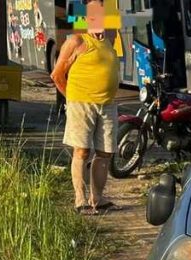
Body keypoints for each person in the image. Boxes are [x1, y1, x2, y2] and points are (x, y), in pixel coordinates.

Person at [51, 0, 120, 214]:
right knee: (81, 151)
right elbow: (57, 75)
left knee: (105, 153)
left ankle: (97, 198)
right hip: (82, 103)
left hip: (107, 104)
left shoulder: (109, 39)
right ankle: (80, 199)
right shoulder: (76, 40)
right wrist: (70, 98)